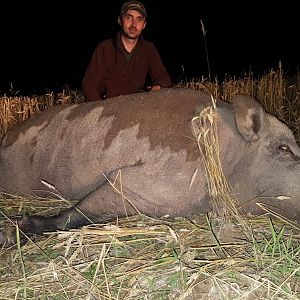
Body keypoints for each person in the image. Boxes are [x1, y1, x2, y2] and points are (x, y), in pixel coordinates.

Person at [82, 0, 172, 101]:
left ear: (144, 25)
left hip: (136, 109)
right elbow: (90, 85)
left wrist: (157, 88)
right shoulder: (104, 48)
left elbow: (163, 78)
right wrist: (100, 110)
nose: (134, 24)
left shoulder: (149, 49)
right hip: (108, 108)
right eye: (129, 17)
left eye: (139, 19)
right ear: (120, 20)